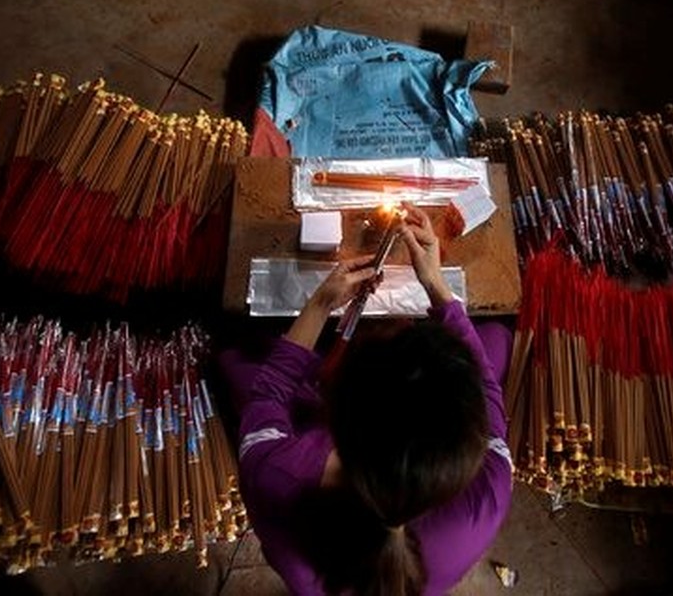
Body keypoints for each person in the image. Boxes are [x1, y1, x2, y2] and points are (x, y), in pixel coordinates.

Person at [217, 203, 513, 595]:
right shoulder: (490, 490)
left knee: (237, 358)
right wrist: (438, 287)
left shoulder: (275, 475)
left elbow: (269, 392)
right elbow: (486, 387)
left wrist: (321, 303)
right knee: (497, 339)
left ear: (333, 414)